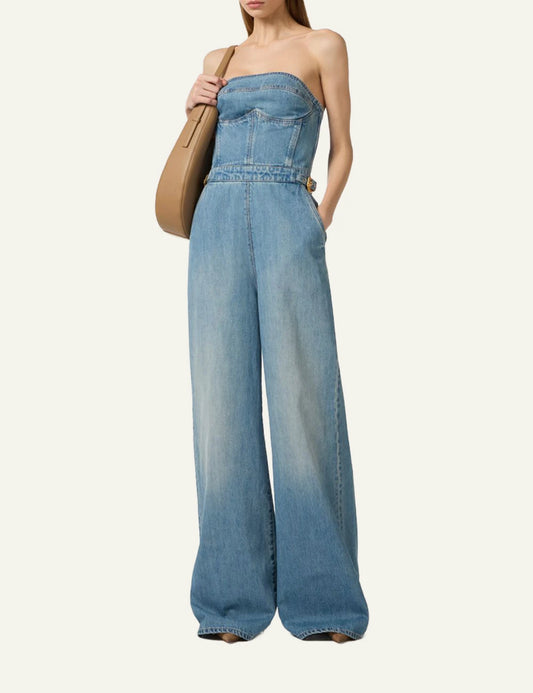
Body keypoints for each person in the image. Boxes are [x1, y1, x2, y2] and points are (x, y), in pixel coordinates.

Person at [184, 0, 369, 643]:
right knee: (220, 408)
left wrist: (320, 219)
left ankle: (325, 602)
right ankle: (230, 602)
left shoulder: (324, 45)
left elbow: (344, 148)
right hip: (214, 222)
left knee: (303, 401)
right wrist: (192, 107)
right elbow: (197, 157)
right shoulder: (220, 58)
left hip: (289, 217)